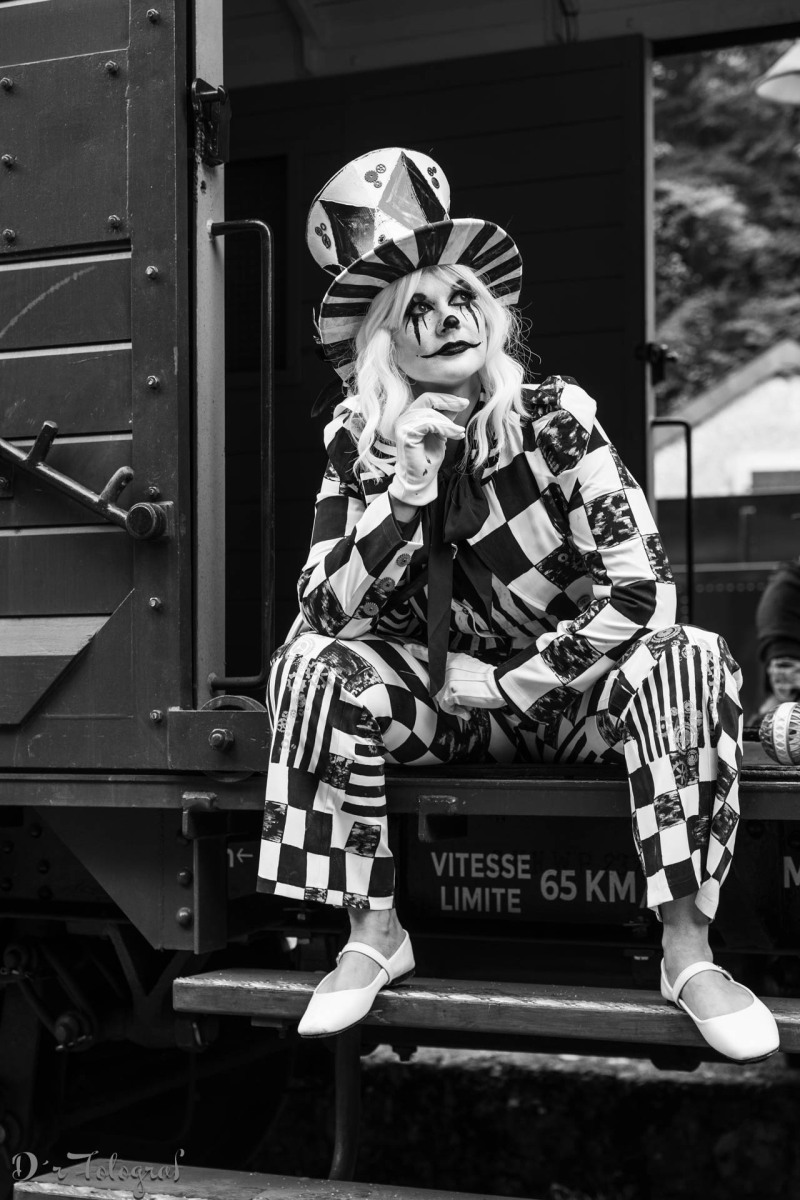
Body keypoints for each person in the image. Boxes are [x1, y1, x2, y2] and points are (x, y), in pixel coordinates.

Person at [257, 147, 779, 1062]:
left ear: (488, 317)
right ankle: (373, 932)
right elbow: (322, 611)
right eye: (417, 309)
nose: (449, 318)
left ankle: (689, 952)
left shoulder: (555, 420)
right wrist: (402, 498)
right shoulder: (359, 443)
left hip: (568, 701)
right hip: (438, 706)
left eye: (463, 298)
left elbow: (643, 591)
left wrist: (511, 683)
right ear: (386, 344)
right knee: (307, 665)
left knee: (692, 654)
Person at [754, 556, 800, 715]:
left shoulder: (786, 580)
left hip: (783, 656)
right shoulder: (788, 582)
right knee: (786, 718)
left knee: (779, 715)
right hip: (788, 657)